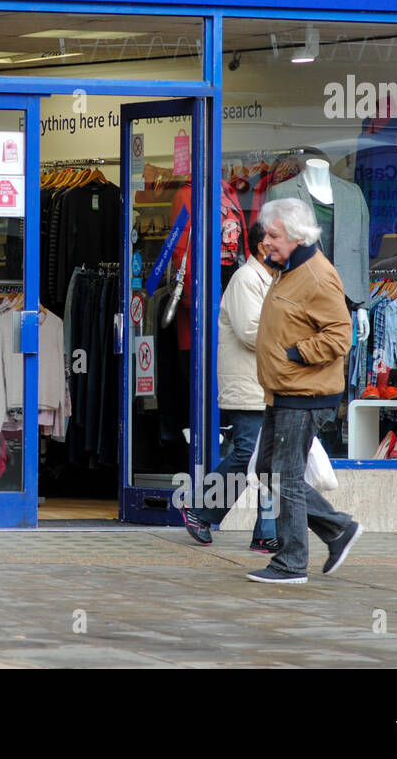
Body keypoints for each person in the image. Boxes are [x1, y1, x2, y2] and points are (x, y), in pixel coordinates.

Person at [248, 197, 362, 584]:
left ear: (297, 236)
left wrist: (296, 354)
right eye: (266, 234)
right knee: (269, 470)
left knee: (284, 476)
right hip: (284, 389)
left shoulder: (315, 274)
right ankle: (337, 528)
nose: (266, 241)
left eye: (275, 235)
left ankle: (291, 562)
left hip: (304, 392)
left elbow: (339, 334)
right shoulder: (289, 268)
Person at [181, 221, 279, 552]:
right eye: (279, 240)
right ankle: (201, 509)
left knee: (272, 458)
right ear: (264, 245)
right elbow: (252, 332)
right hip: (249, 385)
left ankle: (266, 530)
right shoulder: (246, 279)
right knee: (248, 453)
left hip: (269, 383)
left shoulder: (271, 279)